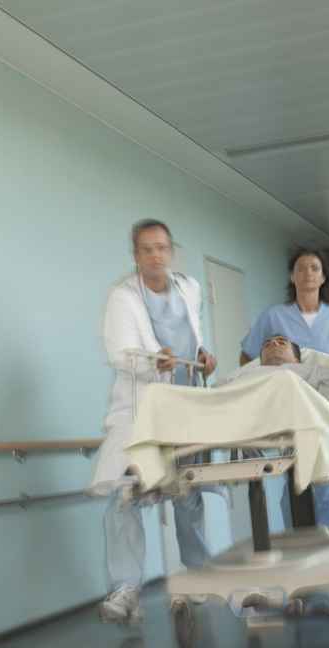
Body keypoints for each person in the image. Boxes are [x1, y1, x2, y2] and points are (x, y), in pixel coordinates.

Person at [89, 218, 218, 625]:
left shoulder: (189, 288)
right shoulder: (122, 297)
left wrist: (203, 356)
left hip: (186, 406)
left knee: (188, 493)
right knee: (125, 492)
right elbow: (119, 354)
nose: (155, 255)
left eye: (161, 247)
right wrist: (151, 360)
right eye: (146, 249)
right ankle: (126, 588)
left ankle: (197, 573)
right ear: (136, 255)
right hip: (141, 409)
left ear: (171, 251)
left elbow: (192, 337)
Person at [240, 249, 329, 527]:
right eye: (301, 269)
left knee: (328, 484)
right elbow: (247, 357)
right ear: (292, 277)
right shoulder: (274, 316)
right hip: (289, 408)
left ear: (323, 276)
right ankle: (300, 541)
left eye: (315, 268)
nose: (308, 274)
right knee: (293, 489)